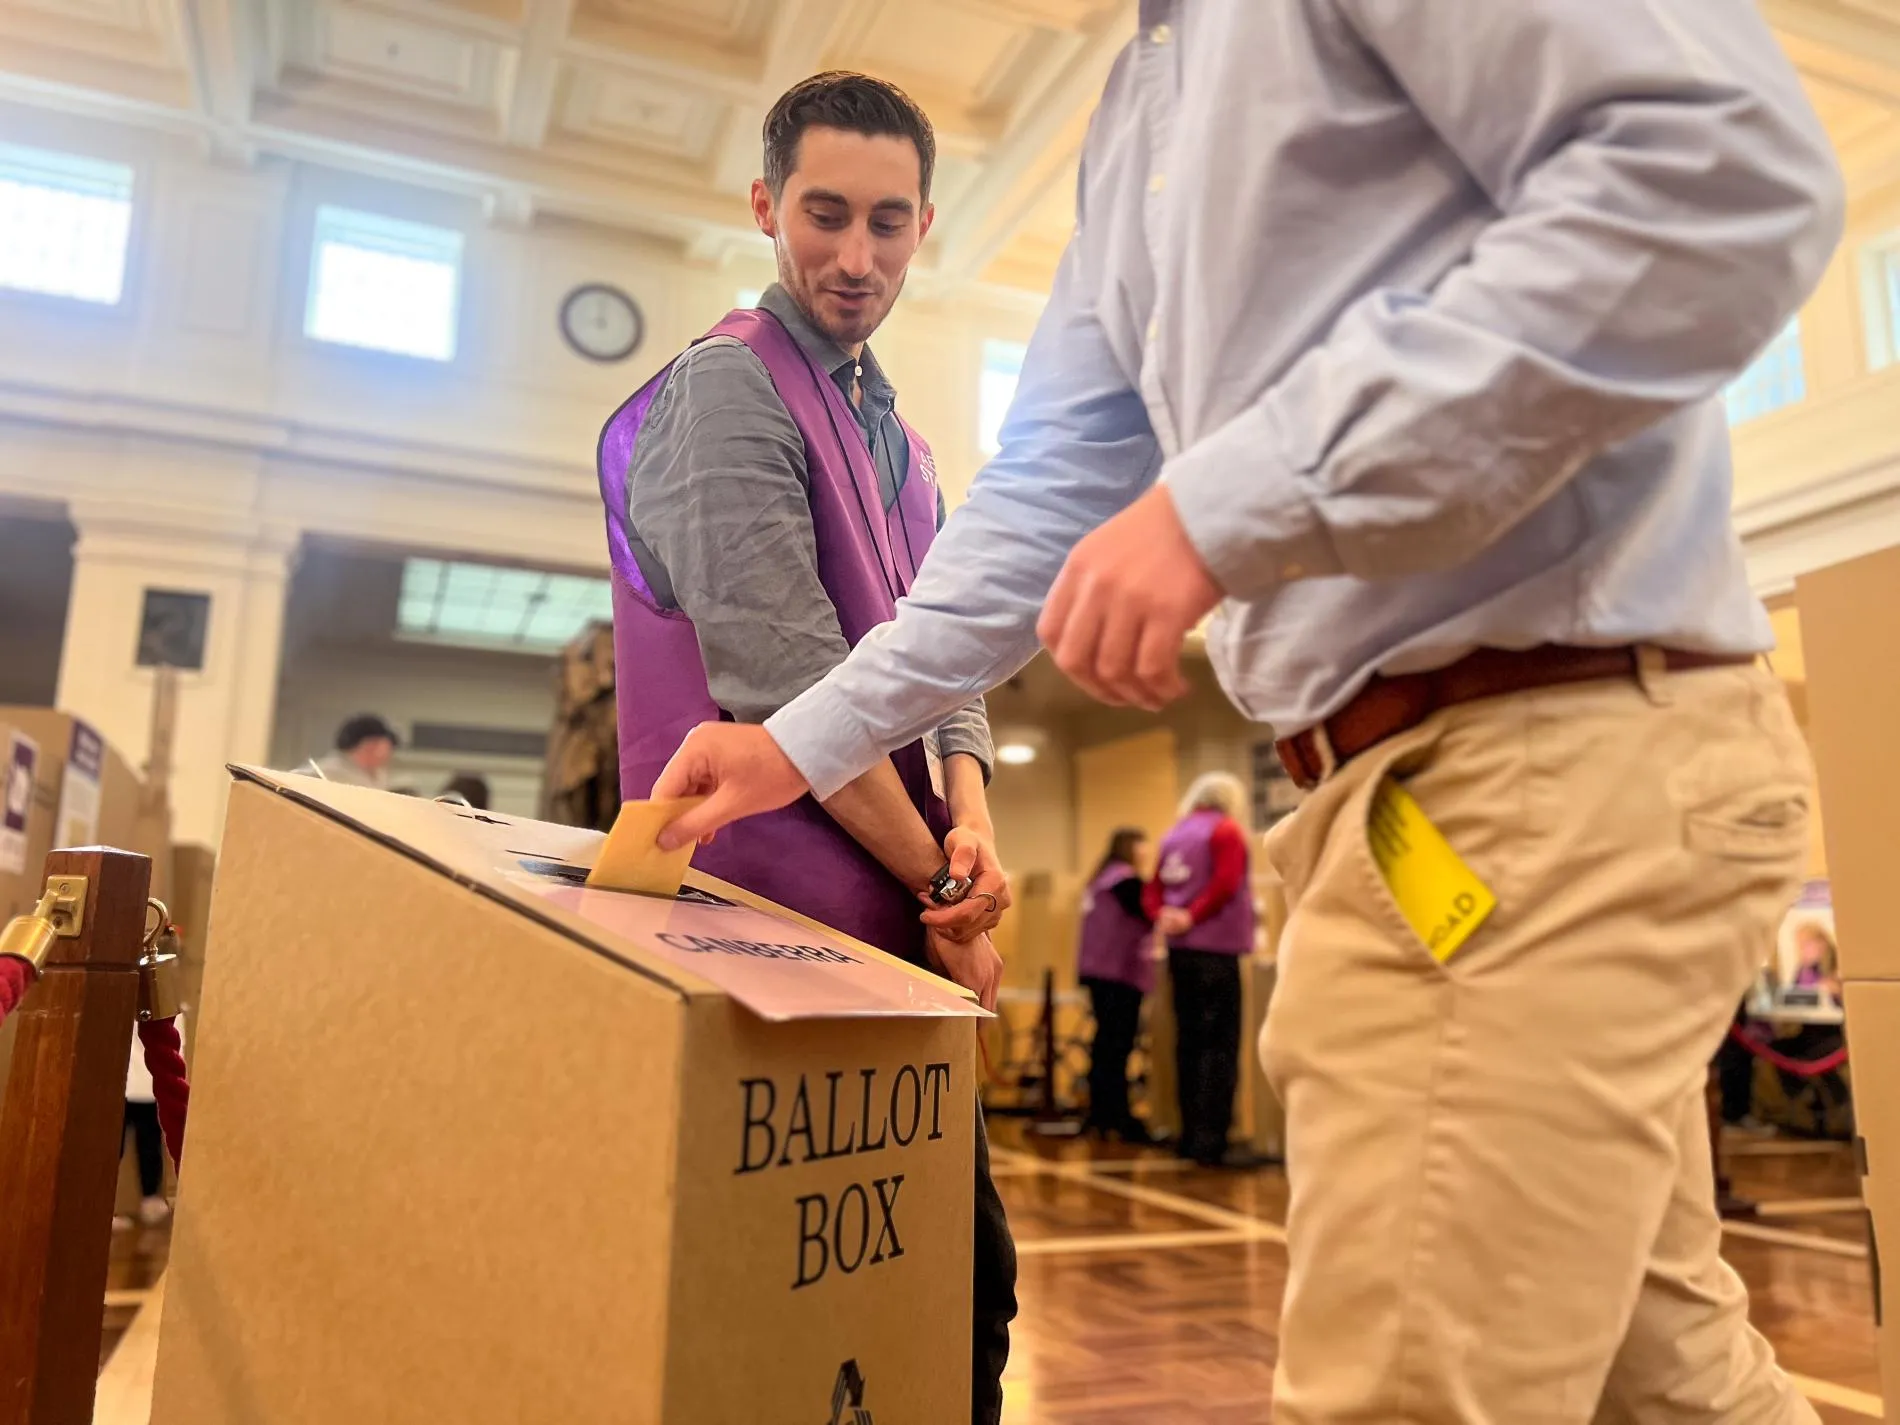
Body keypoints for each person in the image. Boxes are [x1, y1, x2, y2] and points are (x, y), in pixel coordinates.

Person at [648, 6, 1845, 1418]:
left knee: (1401, 1390)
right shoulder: (1141, 106)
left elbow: (1723, 174)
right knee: (1671, 1384)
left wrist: (1223, 504)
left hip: (1543, 755)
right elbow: (1049, 484)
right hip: (1405, 795)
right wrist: (796, 743)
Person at [594, 71, 1016, 1424]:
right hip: (761, 929)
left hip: (890, 932)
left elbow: (946, 665)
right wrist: (948, 892)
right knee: (774, 1330)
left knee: (952, 1302)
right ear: (766, 204)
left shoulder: (906, 440)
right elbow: (797, 695)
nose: (856, 256)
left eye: (889, 224)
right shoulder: (729, 390)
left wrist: (974, 826)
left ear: (924, 225)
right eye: (825, 215)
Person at [1146, 774, 1253, 1167]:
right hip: (1216, 949)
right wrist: (1191, 916)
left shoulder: (1174, 835)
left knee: (1189, 1042)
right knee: (1219, 1046)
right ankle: (1213, 1141)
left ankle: (1191, 1135)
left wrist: (1166, 917)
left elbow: (1153, 888)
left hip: (1180, 953)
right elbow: (1226, 884)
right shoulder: (1226, 831)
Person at [1076, 826, 1156, 1143]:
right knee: (1117, 1047)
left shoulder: (1101, 880)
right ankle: (1118, 1116)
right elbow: (1153, 912)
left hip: (1097, 972)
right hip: (1118, 974)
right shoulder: (1126, 882)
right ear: (1131, 848)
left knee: (1105, 1045)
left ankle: (1101, 1114)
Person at [306, 714, 400, 790]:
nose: (388, 754)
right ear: (369, 745)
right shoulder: (328, 770)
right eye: (386, 748)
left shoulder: (379, 774)